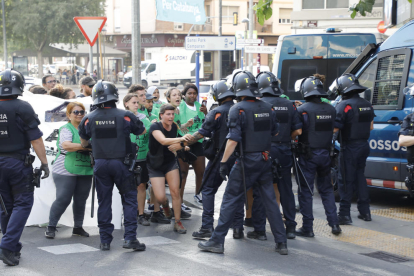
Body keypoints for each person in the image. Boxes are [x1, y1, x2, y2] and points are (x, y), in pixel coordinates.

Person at [198, 71, 288, 255]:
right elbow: (275, 132)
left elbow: (233, 139)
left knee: (230, 200)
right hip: (265, 159)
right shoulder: (267, 107)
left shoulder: (237, 109)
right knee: (270, 202)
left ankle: (216, 241)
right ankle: (281, 242)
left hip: (246, 161)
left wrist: (223, 163)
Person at [78, 80, 146, 251]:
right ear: (115, 96)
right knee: (129, 200)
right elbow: (141, 131)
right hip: (122, 163)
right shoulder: (125, 115)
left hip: (100, 164)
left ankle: (105, 241)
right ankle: (130, 238)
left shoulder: (88, 118)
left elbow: (84, 142)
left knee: (104, 202)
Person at [0, 69, 49, 266]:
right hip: (17, 163)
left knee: (5, 206)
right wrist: (44, 163)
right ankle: (7, 244)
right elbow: (35, 139)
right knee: (22, 203)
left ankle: (11, 248)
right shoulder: (22, 107)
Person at [252, 71, 302, 240]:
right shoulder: (289, 104)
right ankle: (291, 228)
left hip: (264, 151)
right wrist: (286, 137)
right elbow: (298, 130)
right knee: (286, 187)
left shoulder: (259, 104)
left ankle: (259, 229)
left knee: (261, 188)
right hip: (285, 150)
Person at [191, 81, 244, 239]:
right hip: (238, 157)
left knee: (207, 189)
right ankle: (238, 227)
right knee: (236, 193)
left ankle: (207, 227)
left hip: (219, 157)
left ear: (216, 96)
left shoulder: (217, 112)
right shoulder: (240, 110)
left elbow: (201, 133)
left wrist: (183, 142)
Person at [294, 76, 341, 237]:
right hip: (326, 154)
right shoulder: (331, 109)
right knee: (326, 190)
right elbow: (334, 129)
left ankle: (307, 228)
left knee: (306, 191)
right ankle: (334, 224)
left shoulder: (302, 110)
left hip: (308, 155)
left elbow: (298, 131)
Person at [331, 74, 375, 224]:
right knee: (360, 177)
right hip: (364, 145)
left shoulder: (344, 105)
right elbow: (371, 126)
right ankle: (365, 212)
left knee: (345, 180)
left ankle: (344, 215)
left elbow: (335, 128)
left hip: (349, 147)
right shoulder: (367, 104)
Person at [45, 102, 93, 239]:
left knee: (81, 199)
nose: (79, 114)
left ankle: (78, 227)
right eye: (76, 112)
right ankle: (51, 227)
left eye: (82, 112)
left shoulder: (89, 128)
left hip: (84, 168)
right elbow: (67, 145)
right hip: (65, 169)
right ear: (68, 115)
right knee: (63, 199)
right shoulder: (66, 129)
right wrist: (88, 146)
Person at [147, 104, 193, 234]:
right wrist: (181, 139)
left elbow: (179, 142)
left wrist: (183, 146)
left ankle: (178, 222)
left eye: (172, 114)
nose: (171, 116)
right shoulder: (155, 126)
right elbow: (163, 141)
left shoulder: (174, 127)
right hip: (155, 164)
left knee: (175, 192)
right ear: (161, 115)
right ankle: (166, 207)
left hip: (170, 162)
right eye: (168, 114)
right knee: (161, 197)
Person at [178, 83, 207, 207]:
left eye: (194, 93)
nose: (192, 95)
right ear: (184, 95)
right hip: (183, 142)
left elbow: (206, 124)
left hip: (198, 142)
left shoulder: (200, 107)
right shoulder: (180, 107)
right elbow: (178, 126)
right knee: (183, 172)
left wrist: (207, 113)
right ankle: (179, 199)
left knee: (200, 171)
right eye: (189, 93)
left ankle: (198, 194)